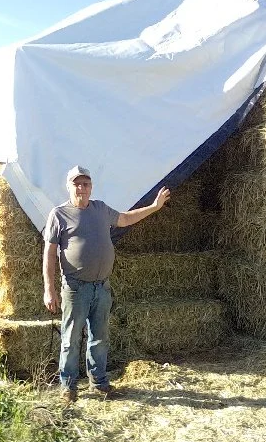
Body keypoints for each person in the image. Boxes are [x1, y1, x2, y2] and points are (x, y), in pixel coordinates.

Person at [43, 165, 170, 402]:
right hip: (75, 288)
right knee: (71, 339)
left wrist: (154, 207)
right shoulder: (59, 214)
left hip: (101, 287)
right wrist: (49, 289)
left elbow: (125, 218)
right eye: (77, 184)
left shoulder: (100, 208)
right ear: (69, 186)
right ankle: (68, 387)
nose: (82, 188)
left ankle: (98, 382)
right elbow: (49, 254)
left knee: (100, 338)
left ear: (91, 186)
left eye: (86, 184)